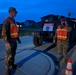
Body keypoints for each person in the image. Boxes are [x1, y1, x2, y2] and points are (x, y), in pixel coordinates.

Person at [2, 7, 21, 75]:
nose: (16, 13)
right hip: (9, 42)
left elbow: (15, 31)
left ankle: (12, 65)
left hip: (14, 41)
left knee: (13, 54)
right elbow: (4, 33)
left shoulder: (14, 21)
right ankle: (7, 70)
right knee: (8, 56)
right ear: (11, 12)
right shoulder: (7, 20)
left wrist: (18, 39)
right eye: (15, 12)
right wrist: (7, 42)